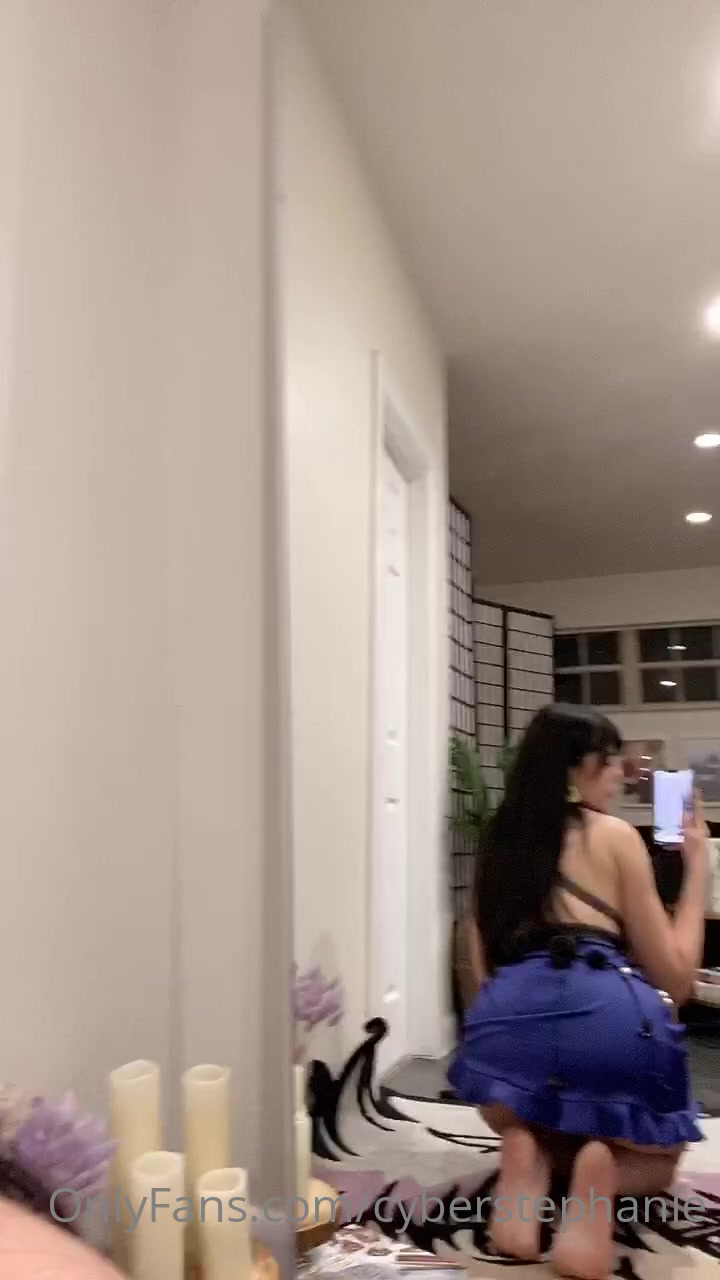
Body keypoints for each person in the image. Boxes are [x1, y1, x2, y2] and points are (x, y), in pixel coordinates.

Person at [448, 704, 708, 1279]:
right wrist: (697, 872)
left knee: (530, 1112)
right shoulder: (615, 836)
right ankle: (601, 1178)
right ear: (574, 769)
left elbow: (483, 975)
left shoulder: (497, 845)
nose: (621, 772)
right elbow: (676, 978)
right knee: (661, 1162)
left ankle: (532, 1155)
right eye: (608, 759)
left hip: (504, 1035)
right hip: (607, 1022)